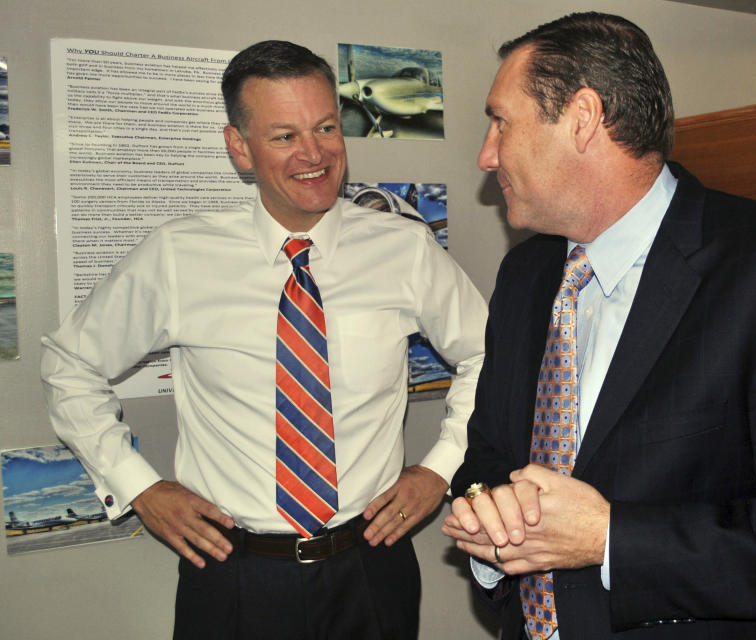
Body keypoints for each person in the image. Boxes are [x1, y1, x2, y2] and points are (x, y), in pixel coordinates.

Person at [442, 12, 756, 640]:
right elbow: (489, 456)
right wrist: (486, 522)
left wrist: (610, 539)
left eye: (500, 121)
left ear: (582, 117)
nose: (486, 154)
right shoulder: (524, 275)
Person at [41, 40, 486, 639]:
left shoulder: (404, 248)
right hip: (232, 576)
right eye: (284, 136)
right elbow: (69, 364)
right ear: (239, 148)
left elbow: (487, 354)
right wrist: (138, 486)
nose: (314, 153)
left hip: (371, 566)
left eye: (326, 127)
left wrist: (441, 467)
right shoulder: (179, 256)